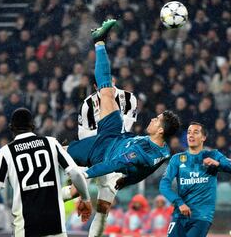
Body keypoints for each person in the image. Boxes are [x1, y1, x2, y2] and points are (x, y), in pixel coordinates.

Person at [63, 19, 180, 237]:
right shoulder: (160, 150)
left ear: (161, 130)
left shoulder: (142, 154)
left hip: (106, 159)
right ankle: (99, 41)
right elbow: (143, 172)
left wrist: (85, 176)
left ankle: (37, 202)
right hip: (113, 136)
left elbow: (115, 164)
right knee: (107, 93)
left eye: (157, 120)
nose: (152, 119)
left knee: (94, 203)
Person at [0, 108, 92, 237]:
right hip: (55, 226)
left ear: (11, 128)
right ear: (33, 126)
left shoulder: (5, 153)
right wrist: (86, 199)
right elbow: (75, 173)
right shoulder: (51, 143)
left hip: (26, 229)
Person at [159, 122, 231, 237]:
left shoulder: (213, 155)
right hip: (179, 214)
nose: (191, 135)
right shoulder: (177, 159)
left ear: (203, 137)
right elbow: (164, 185)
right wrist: (179, 202)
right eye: (189, 132)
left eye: (195, 132)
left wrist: (218, 164)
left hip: (201, 216)